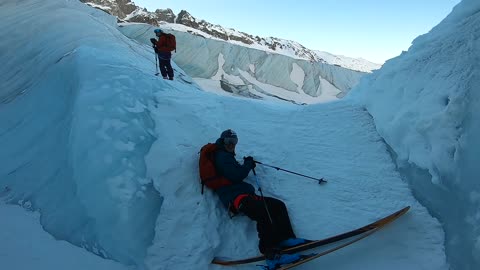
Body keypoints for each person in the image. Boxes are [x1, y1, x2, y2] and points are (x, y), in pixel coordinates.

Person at [212, 129, 307, 269]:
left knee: (277, 205)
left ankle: (286, 238)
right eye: (229, 141)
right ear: (222, 141)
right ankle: (271, 255)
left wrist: (245, 164)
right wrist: (248, 165)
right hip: (236, 198)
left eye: (234, 141)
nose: (232, 144)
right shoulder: (221, 156)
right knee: (263, 212)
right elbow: (236, 175)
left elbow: (234, 172)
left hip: (244, 195)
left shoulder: (227, 156)